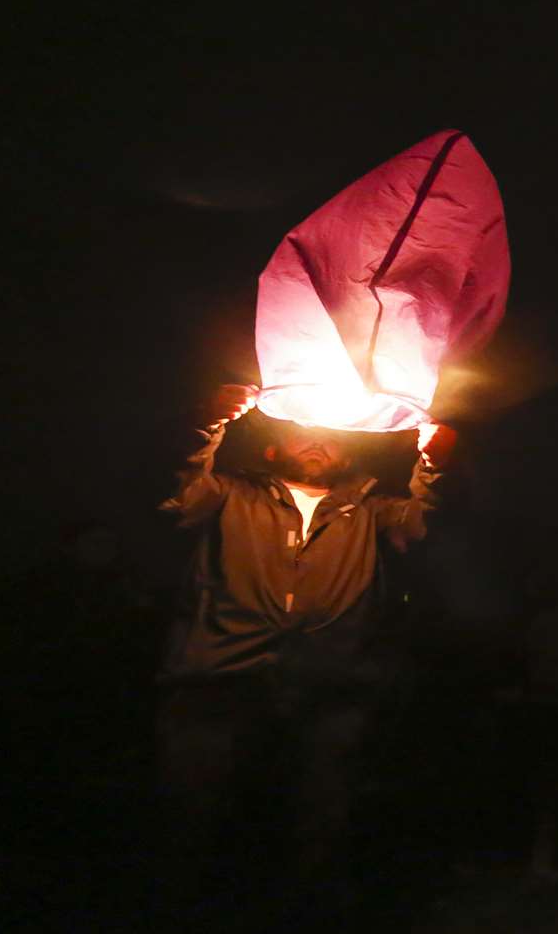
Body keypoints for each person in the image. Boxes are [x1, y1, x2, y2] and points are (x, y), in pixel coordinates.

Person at [153, 383, 456, 919]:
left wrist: (434, 459)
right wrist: (209, 423)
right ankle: (195, 909)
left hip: (330, 683)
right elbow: (177, 490)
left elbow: (429, 515)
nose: (317, 441)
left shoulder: (369, 510)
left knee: (320, 813)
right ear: (272, 448)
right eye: (302, 432)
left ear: (349, 450)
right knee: (201, 812)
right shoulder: (226, 494)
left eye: (329, 436)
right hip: (221, 678)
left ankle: (306, 911)